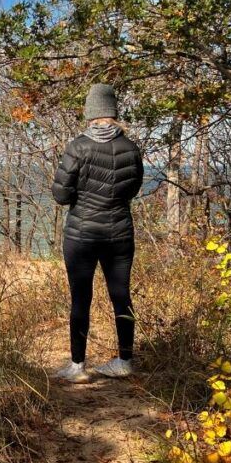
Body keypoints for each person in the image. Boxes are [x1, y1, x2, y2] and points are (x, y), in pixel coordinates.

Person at [51, 83, 144, 383]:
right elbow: (132, 188)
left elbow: (61, 196)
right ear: (114, 112)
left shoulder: (78, 146)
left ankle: (78, 366)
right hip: (119, 232)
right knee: (121, 295)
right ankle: (124, 360)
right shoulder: (131, 148)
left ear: (90, 113)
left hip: (82, 234)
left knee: (81, 298)